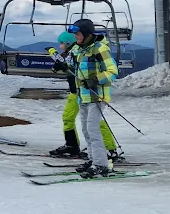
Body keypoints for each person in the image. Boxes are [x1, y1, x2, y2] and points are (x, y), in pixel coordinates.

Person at [47, 32, 120, 160]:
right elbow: (68, 64)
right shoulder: (75, 52)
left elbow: (111, 71)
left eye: (62, 43)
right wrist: (60, 66)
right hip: (77, 92)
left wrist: (52, 53)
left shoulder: (83, 51)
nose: (60, 46)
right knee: (68, 118)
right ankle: (72, 145)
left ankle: (110, 150)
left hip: (85, 92)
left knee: (95, 123)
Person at [70, 19, 119, 178]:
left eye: (78, 34)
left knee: (93, 129)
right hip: (83, 96)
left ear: (86, 34)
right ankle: (93, 160)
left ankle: (100, 164)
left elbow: (112, 72)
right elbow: (78, 71)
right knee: (85, 129)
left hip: (97, 96)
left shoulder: (99, 49)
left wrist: (95, 79)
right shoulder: (79, 49)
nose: (76, 37)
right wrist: (63, 68)